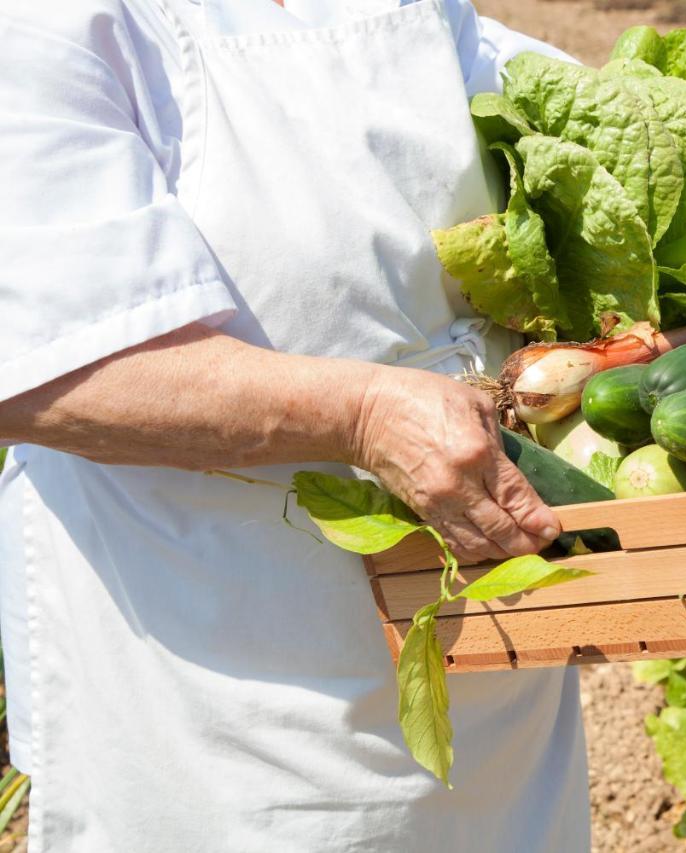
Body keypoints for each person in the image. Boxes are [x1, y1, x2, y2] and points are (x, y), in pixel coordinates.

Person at [0, 1, 593, 850]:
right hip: (226, 690)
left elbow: (555, 102)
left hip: (487, 649)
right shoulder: (52, 22)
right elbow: (44, 365)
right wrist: (363, 413)